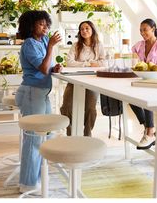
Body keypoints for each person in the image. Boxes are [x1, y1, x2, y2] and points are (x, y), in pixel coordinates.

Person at [15, 10, 62, 193]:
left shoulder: (42, 41)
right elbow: (43, 69)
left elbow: (47, 66)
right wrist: (51, 47)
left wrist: (55, 67)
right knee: (34, 139)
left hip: (41, 94)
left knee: (47, 135)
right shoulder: (29, 44)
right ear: (31, 25)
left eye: (46, 24)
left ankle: (38, 176)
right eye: (41, 24)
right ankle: (27, 184)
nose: (45, 27)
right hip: (31, 93)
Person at [130, 18, 157, 150]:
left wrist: (152, 67)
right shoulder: (138, 45)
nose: (142, 33)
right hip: (142, 79)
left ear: (153, 29)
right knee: (130, 98)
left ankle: (149, 133)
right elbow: (133, 62)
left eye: (145, 30)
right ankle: (150, 128)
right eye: (140, 30)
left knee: (146, 95)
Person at [60, 20, 105, 136]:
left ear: (92, 30)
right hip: (74, 80)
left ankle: (87, 132)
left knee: (90, 108)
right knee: (66, 107)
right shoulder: (76, 45)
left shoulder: (99, 45)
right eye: (81, 29)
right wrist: (88, 64)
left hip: (92, 80)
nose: (84, 31)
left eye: (87, 28)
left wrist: (93, 63)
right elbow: (69, 62)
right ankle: (71, 132)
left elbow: (103, 62)